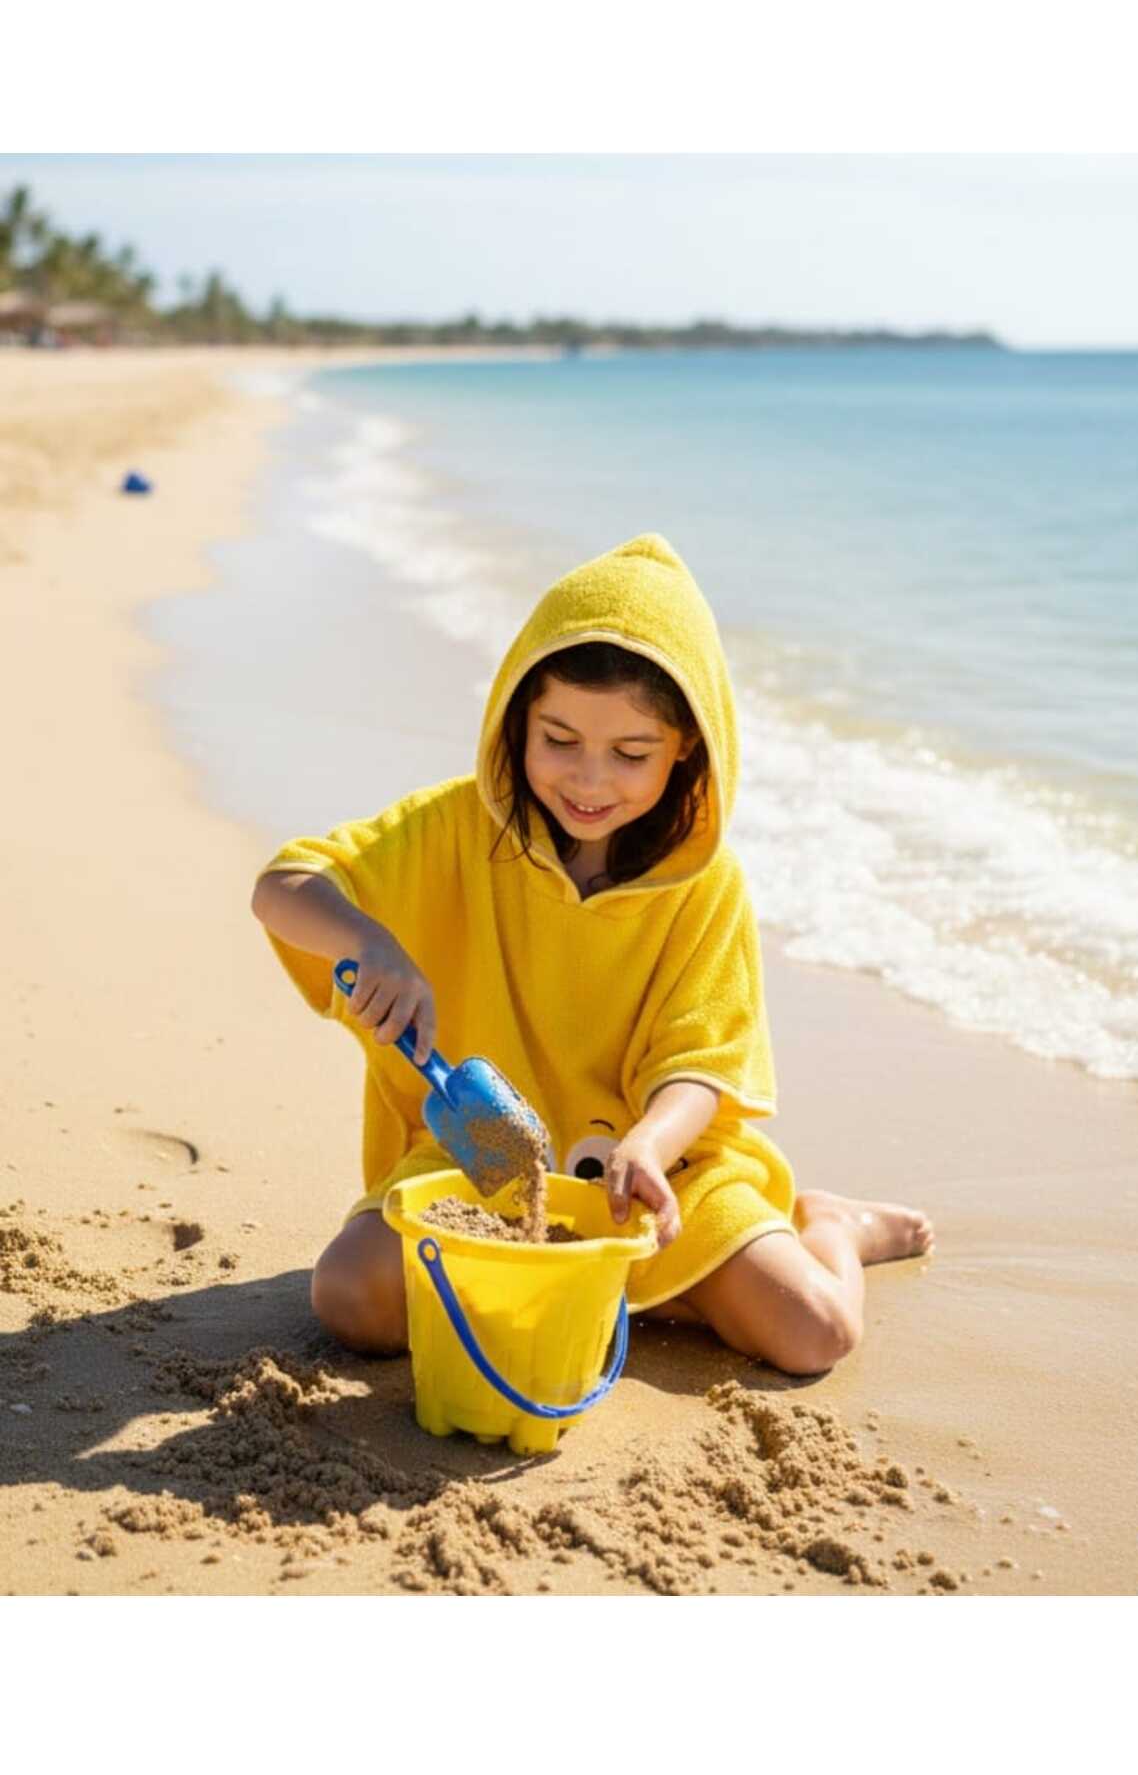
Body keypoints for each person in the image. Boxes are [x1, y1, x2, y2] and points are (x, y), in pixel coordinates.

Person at [251, 534, 933, 1372]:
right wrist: (370, 940)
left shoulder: (704, 883)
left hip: (656, 1174)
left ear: (687, 744)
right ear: (516, 720)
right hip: (487, 1159)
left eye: (631, 754)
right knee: (351, 1300)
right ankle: (620, 1291)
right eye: (559, 740)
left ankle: (831, 1225)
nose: (588, 780)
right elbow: (283, 887)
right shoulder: (456, 829)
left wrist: (648, 1142)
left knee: (814, 1332)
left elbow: (702, 1063)